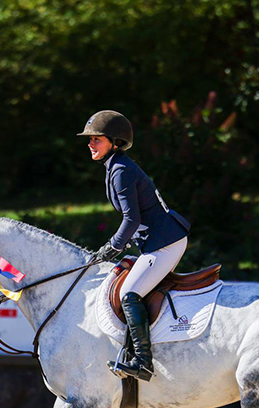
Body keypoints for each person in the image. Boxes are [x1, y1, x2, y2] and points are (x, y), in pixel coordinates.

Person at [79, 110, 190, 382]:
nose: (90, 144)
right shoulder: (117, 166)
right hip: (157, 240)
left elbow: (132, 218)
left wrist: (112, 247)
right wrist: (118, 245)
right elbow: (137, 219)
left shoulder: (120, 170)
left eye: (97, 139)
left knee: (129, 293)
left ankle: (143, 361)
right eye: (90, 139)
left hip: (165, 243)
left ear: (114, 142)